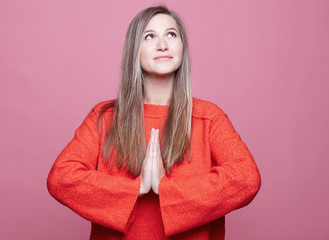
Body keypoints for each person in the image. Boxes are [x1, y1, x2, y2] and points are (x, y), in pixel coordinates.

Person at [47, 6, 261, 240]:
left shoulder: (209, 117)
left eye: (171, 34)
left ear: (182, 48)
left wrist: (164, 188)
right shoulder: (104, 117)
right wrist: (136, 188)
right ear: (134, 51)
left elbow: (246, 179)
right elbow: (61, 178)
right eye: (150, 36)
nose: (163, 44)